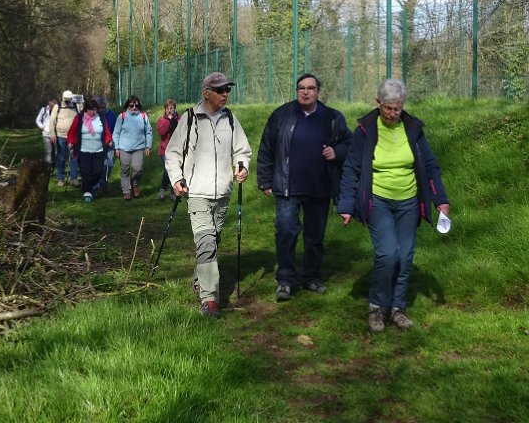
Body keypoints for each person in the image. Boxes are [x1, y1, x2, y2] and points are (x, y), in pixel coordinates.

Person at [337, 79, 450, 334]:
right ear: (378, 103)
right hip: (378, 199)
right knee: (387, 254)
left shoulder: (413, 129)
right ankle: (377, 306)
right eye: (387, 108)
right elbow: (351, 168)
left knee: (405, 255)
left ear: (403, 106)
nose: (392, 113)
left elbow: (430, 166)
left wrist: (440, 200)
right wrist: (346, 205)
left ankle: (398, 308)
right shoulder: (365, 130)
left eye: (397, 108)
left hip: (408, 201)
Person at [257, 73, 352, 303]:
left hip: (320, 188)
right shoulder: (282, 115)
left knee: (315, 237)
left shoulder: (332, 117)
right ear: (297, 90)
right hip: (287, 188)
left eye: (310, 88)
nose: (305, 92)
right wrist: (264, 179)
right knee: (286, 233)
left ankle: (311, 277)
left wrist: (336, 152)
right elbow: (267, 147)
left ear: (318, 91)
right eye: (301, 88)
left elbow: (350, 144)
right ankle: (285, 280)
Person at [165, 72, 252, 318]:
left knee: (212, 241)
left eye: (227, 90)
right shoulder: (190, 118)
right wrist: (176, 179)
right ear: (206, 92)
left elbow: (242, 150)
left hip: (223, 193)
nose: (225, 94)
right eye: (220, 90)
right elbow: (173, 153)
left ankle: (199, 280)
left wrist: (242, 166)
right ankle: (209, 299)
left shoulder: (230, 119)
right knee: (205, 242)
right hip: (197, 192)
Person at [66, 97, 113, 202]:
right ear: (86, 109)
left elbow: (106, 131)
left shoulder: (101, 118)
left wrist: (109, 140)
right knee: (85, 172)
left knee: (98, 172)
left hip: (98, 150)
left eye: (94, 110)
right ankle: (87, 192)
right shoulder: (79, 118)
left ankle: (91, 186)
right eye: (90, 110)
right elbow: (72, 131)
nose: (92, 112)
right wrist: (70, 141)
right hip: (83, 150)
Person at [112, 95, 152, 200]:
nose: (134, 107)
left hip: (139, 147)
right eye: (131, 105)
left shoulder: (143, 116)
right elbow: (116, 133)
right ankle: (126, 191)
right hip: (124, 148)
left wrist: (148, 146)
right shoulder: (122, 116)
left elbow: (148, 132)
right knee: (124, 169)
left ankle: (135, 184)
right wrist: (116, 148)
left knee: (138, 169)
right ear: (127, 106)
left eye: (136, 105)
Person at [51, 90, 79, 186]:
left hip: (73, 136)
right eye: (66, 100)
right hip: (60, 136)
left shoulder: (76, 106)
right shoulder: (57, 106)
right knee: (61, 157)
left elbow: (81, 117)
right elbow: (52, 121)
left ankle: (73, 178)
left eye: (69, 100)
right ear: (62, 98)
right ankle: (61, 179)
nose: (67, 102)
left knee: (74, 157)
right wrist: (52, 134)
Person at [155, 98, 180, 201]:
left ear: (174, 109)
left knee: (175, 171)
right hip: (165, 150)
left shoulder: (178, 120)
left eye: (171, 108)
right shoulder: (162, 120)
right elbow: (161, 132)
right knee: (167, 170)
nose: (169, 110)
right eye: (167, 108)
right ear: (165, 110)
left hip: (176, 150)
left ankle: (173, 192)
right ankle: (162, 189)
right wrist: (168, 121)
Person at [99, 96, 117, 182]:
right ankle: (100, 182)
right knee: (101, 165)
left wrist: (113, 140)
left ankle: (104, 180)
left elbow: (115, 128)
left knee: (110, 165)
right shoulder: (95, 115)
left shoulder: (111, 114)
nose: (101, 109)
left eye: (103, 107)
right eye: (100, 107)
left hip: (109, 143)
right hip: (98, 144)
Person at [35, 98, 58, 166]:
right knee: (48, 151)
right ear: (49, 102)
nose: (53, 104)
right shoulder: (44, 110)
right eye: (52, 102)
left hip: (55, 134)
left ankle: (54, 165)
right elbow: (38, 120)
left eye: (55, 103)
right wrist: (42, 127)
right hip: (46, 134)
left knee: (55, 151)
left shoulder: (58, 110)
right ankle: (48, 166)